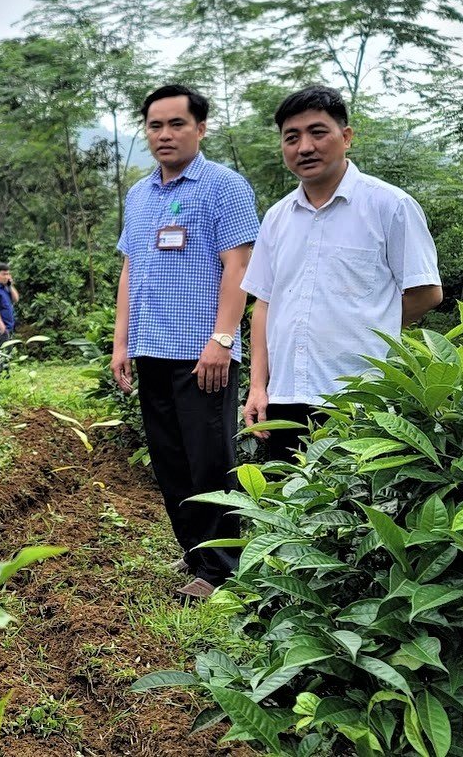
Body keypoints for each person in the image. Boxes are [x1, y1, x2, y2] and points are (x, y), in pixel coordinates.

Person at [111, 84, 259, 600]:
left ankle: (221, 570)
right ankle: (196, 553)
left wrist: (222, 339)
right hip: (152, 348)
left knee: (209, 460)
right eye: (155, 125)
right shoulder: (139, 194)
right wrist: (121, 342)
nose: (165, 134)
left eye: (177, 124)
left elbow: (239, 267)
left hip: (203, 355)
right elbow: (131, 268)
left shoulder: (225, 187)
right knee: (169, 458)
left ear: (200, 127)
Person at [243, 86, 442, 463]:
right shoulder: (277, 217)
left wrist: (368, 321)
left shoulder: (390, 205)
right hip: (287, 395)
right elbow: (264, 304)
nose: (305, 147)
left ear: (346, 137)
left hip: (360, 397)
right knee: (289, 512)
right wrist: (258, 386)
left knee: (354, 512)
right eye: (292, 137)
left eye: (318, 132)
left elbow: (427, 292)